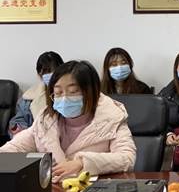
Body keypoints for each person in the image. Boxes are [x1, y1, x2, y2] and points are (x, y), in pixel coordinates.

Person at [0, 61, 136, 179]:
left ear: (92, 92)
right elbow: (17, 147)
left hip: (93, 190)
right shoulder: (45, 120)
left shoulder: (113, 117)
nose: (64, 98)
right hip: (55, 191)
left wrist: (82, 163)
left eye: (73, 91)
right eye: (58, 92)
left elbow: (127, 158)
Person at [9, 51, 64, 138]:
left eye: (56, 70)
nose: (52, 74)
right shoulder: (27, 99)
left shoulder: (72, 96)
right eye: (47, 71)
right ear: (39, 74)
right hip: (37, 141)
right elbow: (18, 124)